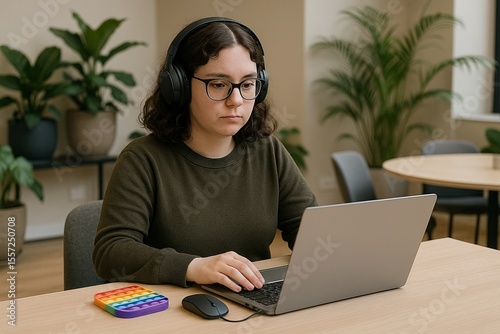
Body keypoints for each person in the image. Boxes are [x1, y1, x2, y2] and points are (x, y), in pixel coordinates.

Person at [92, 17, 317, 293]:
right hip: (174, 310)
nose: (236, 100)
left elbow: (311, 231)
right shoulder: (142, 160)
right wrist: (194, 267)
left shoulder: (267, 150)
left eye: (247, 84)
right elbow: (111, 252)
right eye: (219, 84)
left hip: (254, 301)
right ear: (180, 87)